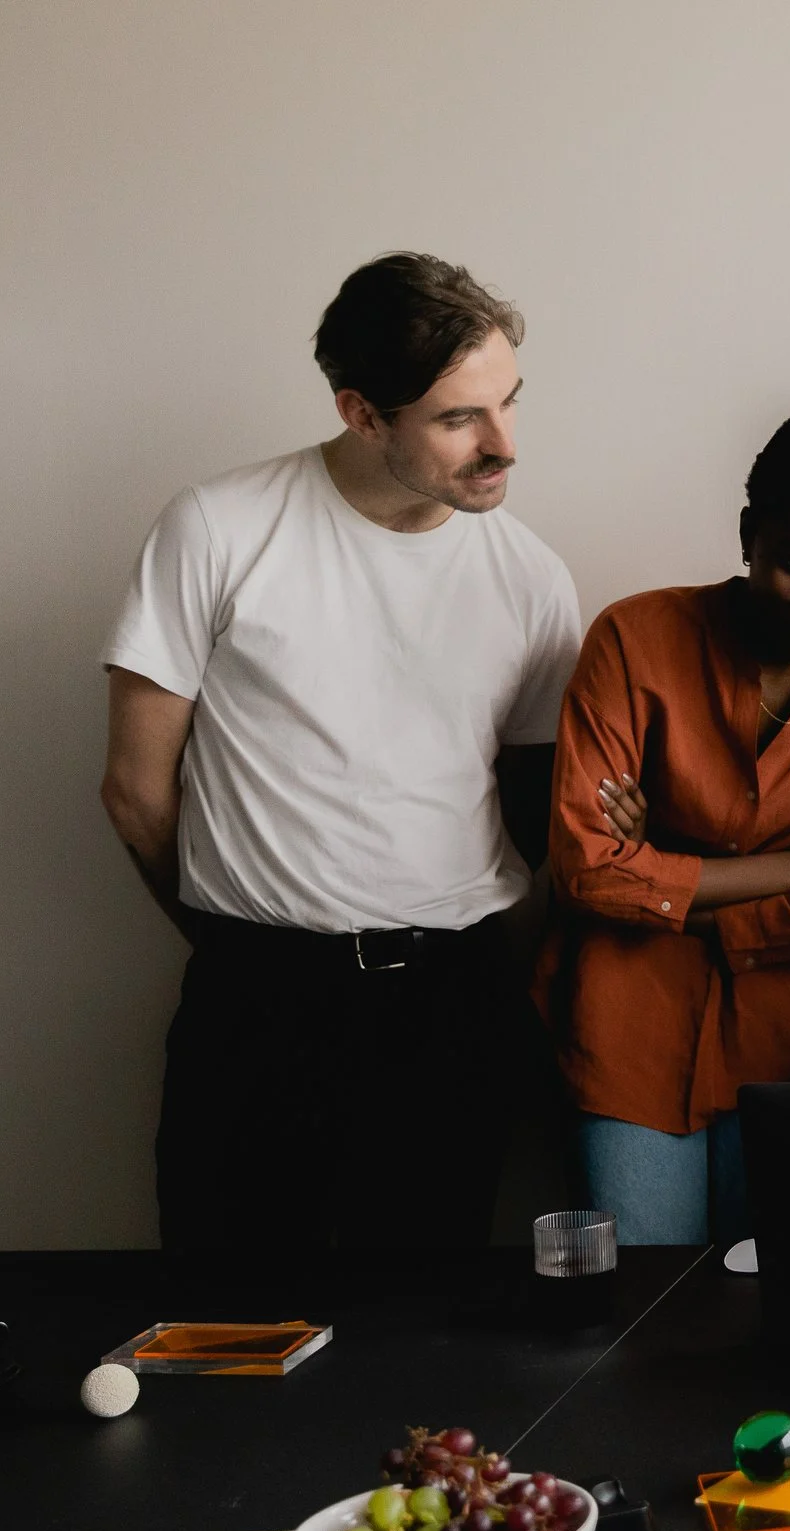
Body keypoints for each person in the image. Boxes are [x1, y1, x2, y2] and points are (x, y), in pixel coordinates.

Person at [99, 252, 581, 1247]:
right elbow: (136, 794)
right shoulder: (219, 528)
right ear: (363, 413)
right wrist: (245, 940)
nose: (504, 445)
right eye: (459, 418)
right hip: (257, 1002)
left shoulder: (531, 578)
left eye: (510, 403)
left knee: (420, 1349)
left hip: (451, 1007)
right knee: (223, 1336)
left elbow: (539, 815)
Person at [541, 414, 790, 1245]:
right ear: (751, 535)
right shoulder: (633, 639)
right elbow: (582, 868)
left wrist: (658, 867)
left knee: (783, 1298)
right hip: (627, 1027)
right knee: (640, 1310)